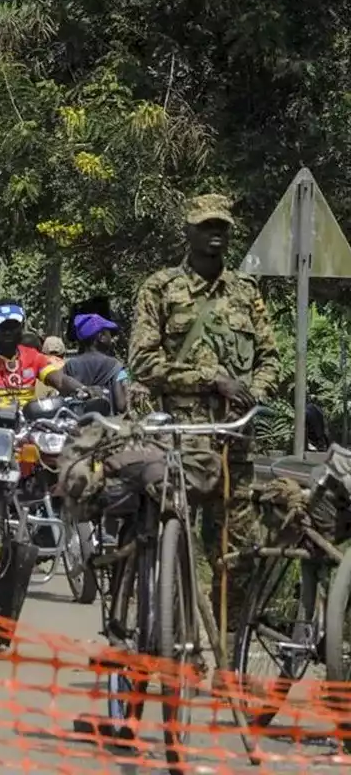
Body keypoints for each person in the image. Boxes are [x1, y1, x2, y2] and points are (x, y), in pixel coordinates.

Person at [129, 193, 280, 633]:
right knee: (168, 542)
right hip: (178, 440)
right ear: (189, 231)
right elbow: (143, 362)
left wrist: (253, 390)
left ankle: (229, 652)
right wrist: (210, 380)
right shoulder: (160, 288)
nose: (215, 234)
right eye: (206, 225)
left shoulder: (246, 292)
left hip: (234, 442)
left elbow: (270, 357)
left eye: (223, 227)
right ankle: (168, 637)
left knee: (238, 553)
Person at [0, 303, 84, 411]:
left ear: (22, 327)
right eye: (2, 327)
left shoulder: (34, 356)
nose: (8, 332)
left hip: (26, 425)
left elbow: (60, 381)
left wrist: (84, 389)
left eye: (13, 326)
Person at [65, 314, 129, 414]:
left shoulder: (70, 365)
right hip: (107, 424)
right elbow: (121, 404)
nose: (111, 338)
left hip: (81, 423)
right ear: (101, 337)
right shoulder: (117, 365)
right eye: (109, 334)